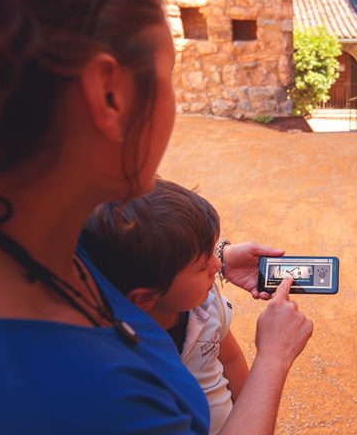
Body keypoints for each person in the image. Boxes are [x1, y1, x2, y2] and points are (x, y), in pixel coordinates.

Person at [0, 0, 312, 435]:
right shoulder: (94, 399)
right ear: (110, 96)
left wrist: (212, 260)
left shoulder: (43, 234)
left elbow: (122, 254)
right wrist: (273, 359)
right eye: (168, 76)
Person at [85, 179, 253, 435]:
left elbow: (231, 357)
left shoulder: (205, 302)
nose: (218, 266)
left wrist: (251, 413)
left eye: (213, 252)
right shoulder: (117, 354)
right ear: (144, 299)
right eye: (201, 267)